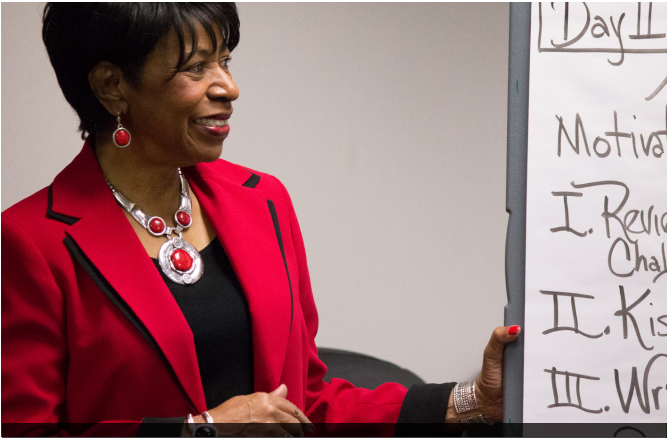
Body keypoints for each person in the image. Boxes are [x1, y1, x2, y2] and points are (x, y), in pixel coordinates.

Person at [1, 3, 520, 437]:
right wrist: (200, 430)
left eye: (225, 60)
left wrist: (472, 400)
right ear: (112, 86)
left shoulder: (263, 201)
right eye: (196, 68)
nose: (228, 87)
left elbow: (307, 403)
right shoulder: (30, 244)